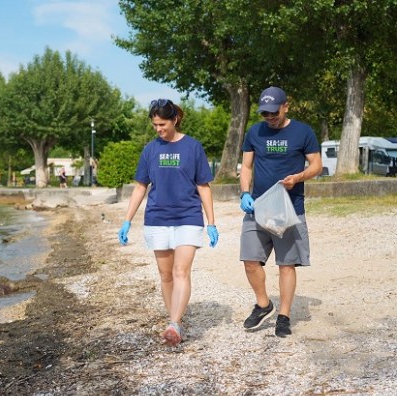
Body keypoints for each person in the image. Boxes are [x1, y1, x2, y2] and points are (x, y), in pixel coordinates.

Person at [117, 98, 219, 346]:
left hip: (188, 217)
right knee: (166, 275)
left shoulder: (193, 147)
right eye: (155, 125)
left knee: (181, 271)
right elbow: (140, 186)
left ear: (175, 119)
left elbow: (203, 186)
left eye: (162, 124)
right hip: (157, 218)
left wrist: (211, 222)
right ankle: (176, 320)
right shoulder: (150, 150)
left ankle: (174, 324)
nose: (158, 129)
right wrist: (127, 220)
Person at [239, 86, 322, 337]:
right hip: (259, 207)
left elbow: (316, 165)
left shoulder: (303, 132)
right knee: (250, 260)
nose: (270, 117)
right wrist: (244, 193)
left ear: (286, 106)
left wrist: (298, 178)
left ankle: (284, 316)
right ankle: (264, 304)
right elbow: (246, 166)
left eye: (274, 112)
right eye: (265, 113)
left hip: (289, 207)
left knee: (286, 264)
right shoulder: (254, 132)